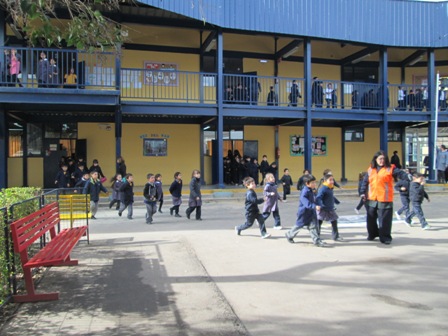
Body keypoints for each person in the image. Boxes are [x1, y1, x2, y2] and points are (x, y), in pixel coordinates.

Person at [359, 150, 407, 244]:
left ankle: (385, 237)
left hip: (385, 198)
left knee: (384, 220)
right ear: (375, 159)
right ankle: (372, 234)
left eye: (383, 159)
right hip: (372, 198)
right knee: (371, 218)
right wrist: (362, 193)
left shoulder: (391, 168)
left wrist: (407, 176)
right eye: (380, 159)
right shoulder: (370, 169)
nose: (382, 161)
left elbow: (401, 174)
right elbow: (365, 182)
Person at [285, 174, 327, 247]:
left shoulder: (311, 190)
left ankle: (316, 240)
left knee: (313, 226)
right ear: (307, 183)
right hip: (304, 213)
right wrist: (314, 206)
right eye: (313, 183)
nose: (315, 184)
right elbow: (306, 203)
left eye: (315, 182)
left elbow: (315, 199)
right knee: (298, 226)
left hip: (311, 213)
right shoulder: (304, 192)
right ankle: (289, 235)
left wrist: (319, 204)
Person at [316, 174, 343, 241]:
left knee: (334, 221)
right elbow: (318, 197)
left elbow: (331, 197)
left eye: (332, 180)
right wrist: (319, 205)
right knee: (319, 222)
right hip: (324, 209)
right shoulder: (323, 188)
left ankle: (335, 237)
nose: (332, 181)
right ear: (325, 180)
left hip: (330, 208)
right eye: (330, 180)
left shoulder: (330, 187)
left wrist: (336, 201)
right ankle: (316, 237)